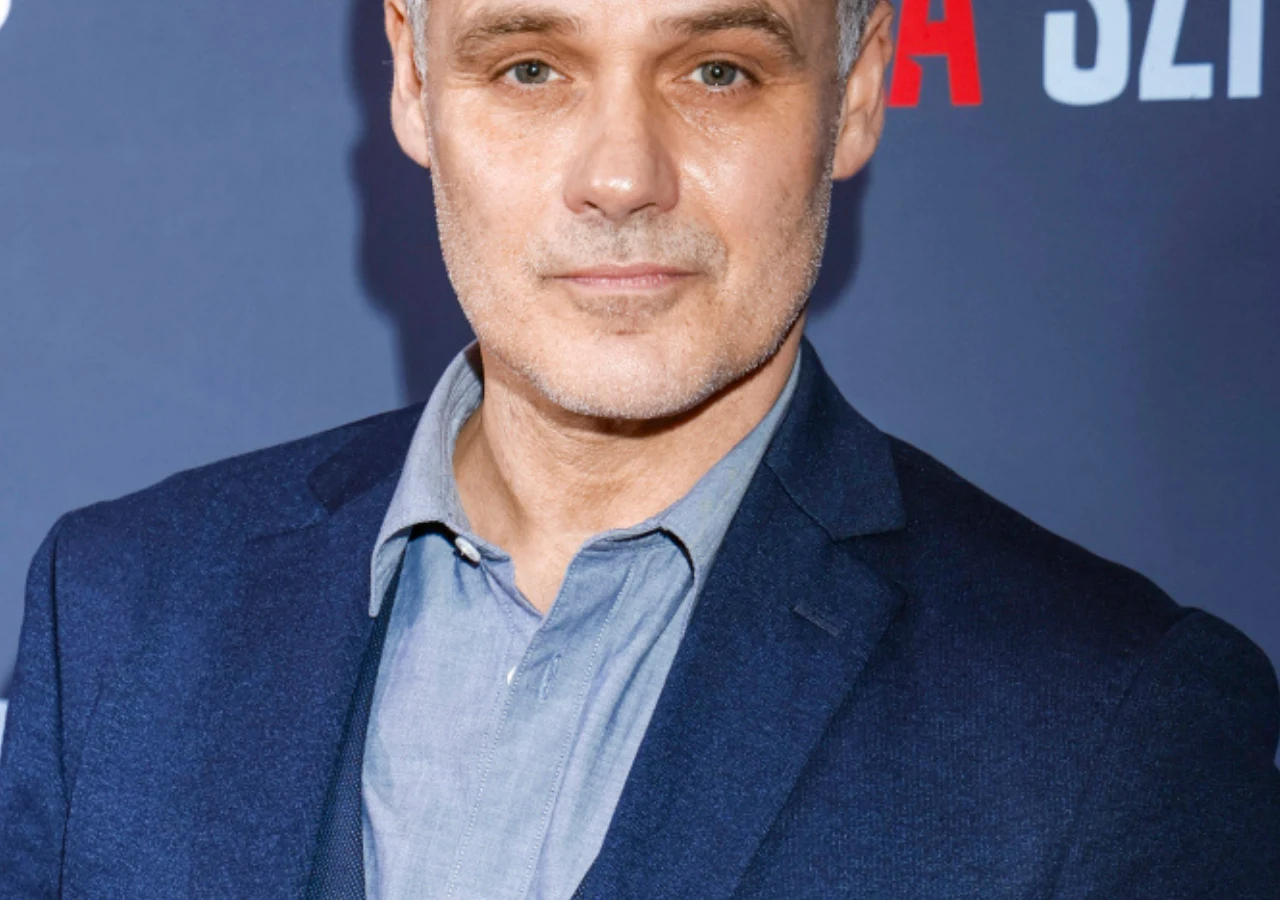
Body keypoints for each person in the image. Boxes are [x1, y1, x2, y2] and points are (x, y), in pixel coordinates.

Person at [2, 0, 1278, 894]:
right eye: (530, 68)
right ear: (411, 79)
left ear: (855, 88)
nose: (620, 176)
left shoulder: (1112, 728)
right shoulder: (117, 613)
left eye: (716, 70)